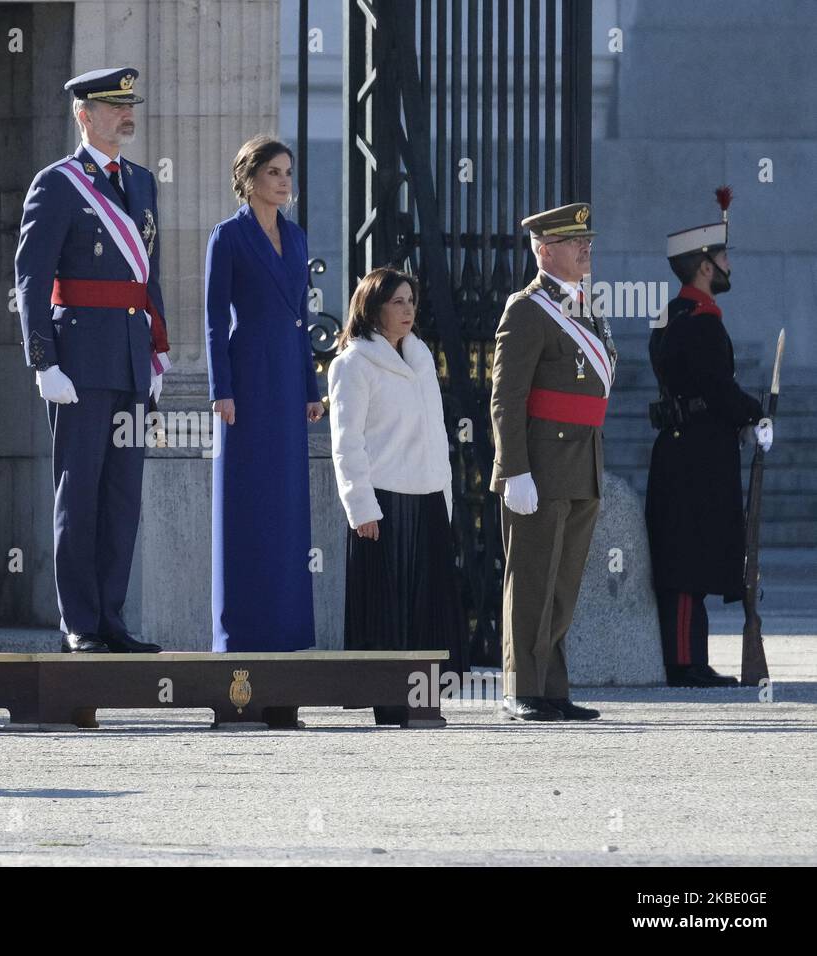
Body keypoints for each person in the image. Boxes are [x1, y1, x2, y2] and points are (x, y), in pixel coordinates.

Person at [14, 67, 169, 654]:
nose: (126, 116)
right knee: (78, 494)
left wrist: (158, 349)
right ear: (84, 114)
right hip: (77, 361)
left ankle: (111, 619)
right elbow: (31, 280)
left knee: (122, 497)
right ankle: (80, 622)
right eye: (112, 107)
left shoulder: (143, 181)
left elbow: (146, 274)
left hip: (130, 359)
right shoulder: (57, 184)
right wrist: (42, 360)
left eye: (129, 106)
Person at [489, 202, 617, 722]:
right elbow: (506, 397)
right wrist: (513, 467)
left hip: (581, 462)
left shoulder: (585, 307)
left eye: (586, 240)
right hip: (538, 466)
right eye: (573, 241)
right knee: (533, 579)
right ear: (545, 251)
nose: (586, 247)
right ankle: (522, 688)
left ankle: (553, 688)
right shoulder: (526, 309)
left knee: (563, 584)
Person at [205, 135, 323, 652]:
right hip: (247, 380)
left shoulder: (296, 238)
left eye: (288, 173)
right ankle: (241, 635)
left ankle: (289, 632)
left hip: (288, 382)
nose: (284, 181)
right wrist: (221, 389)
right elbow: (212, 321)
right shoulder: (226, 237)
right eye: (274, 172)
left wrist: (311, 387)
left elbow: (303, 321)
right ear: (249, 178)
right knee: (246, 502)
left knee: (288, 505)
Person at [646, 190, 766, 688]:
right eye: (722, 258)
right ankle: (684, 663)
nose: (728, 265)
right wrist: (754, 413)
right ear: (703, 267)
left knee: (691, 557)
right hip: (694, 453)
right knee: (685, 563)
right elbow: (716, 388)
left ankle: (692, 658)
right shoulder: (697, 324)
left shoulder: (676, 316)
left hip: (692, 449)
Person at [328, 267, 466, 675]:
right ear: (373, 308)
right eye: (397, 302)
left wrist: (445, 492)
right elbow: (347, 440)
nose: (408, 310)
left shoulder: (421, 357)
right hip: (383, 502)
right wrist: (360, 506)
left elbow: (436, 432)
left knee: (428, 602)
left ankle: (424, 696)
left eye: (411, 301)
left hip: (427, 496)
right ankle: (386, 699)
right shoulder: (352, 363)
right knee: (386, 606)